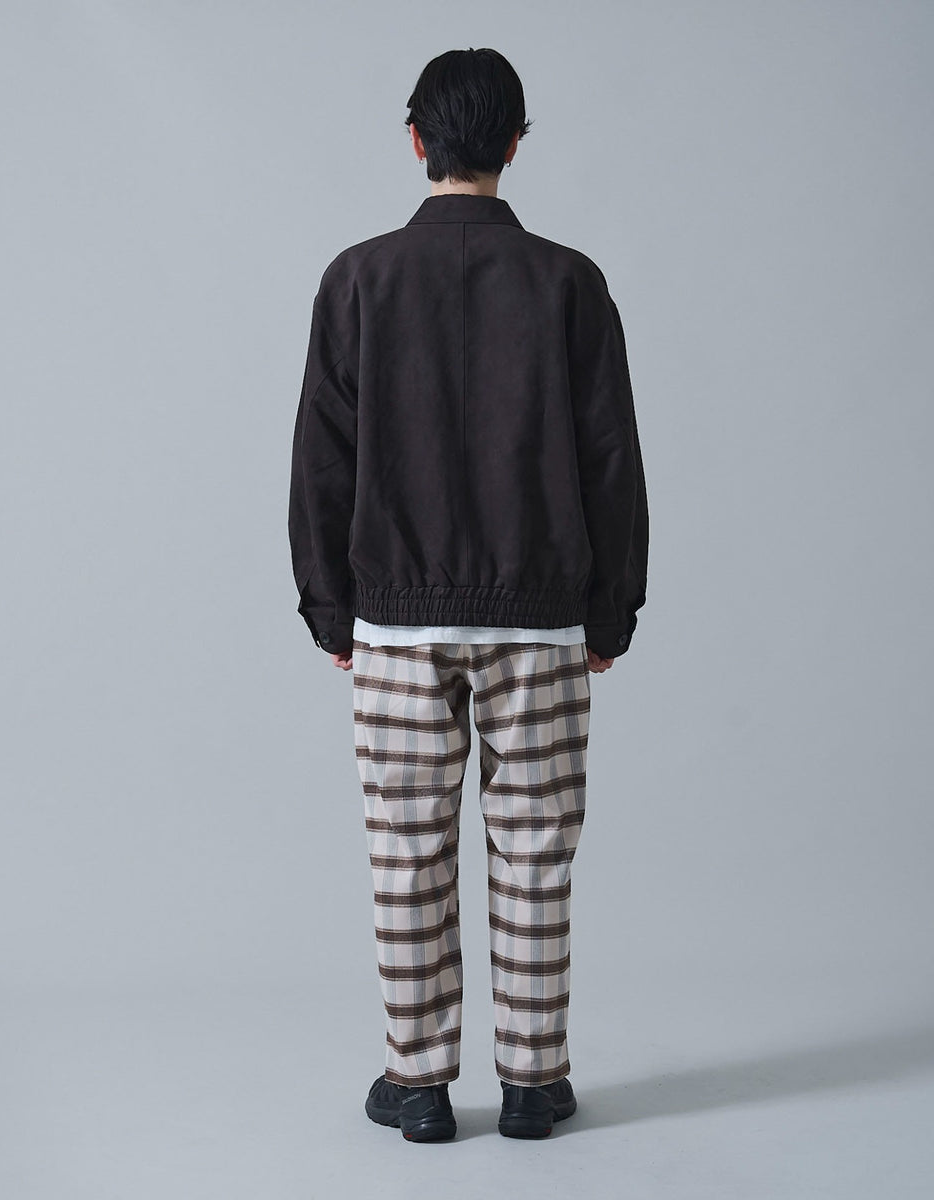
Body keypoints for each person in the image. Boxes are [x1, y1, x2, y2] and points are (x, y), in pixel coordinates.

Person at [288, 46, 648, 1142]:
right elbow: (611, 461)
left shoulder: (358, 278)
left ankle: (419, 1086)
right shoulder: (570, 282)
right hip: (541, 621)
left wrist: (330, 608)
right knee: (536, 851)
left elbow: (322, 457)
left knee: (407, 851)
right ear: (515, 144)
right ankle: (534, 1085)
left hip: (396, 623)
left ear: (416, 140)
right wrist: (610, 611)